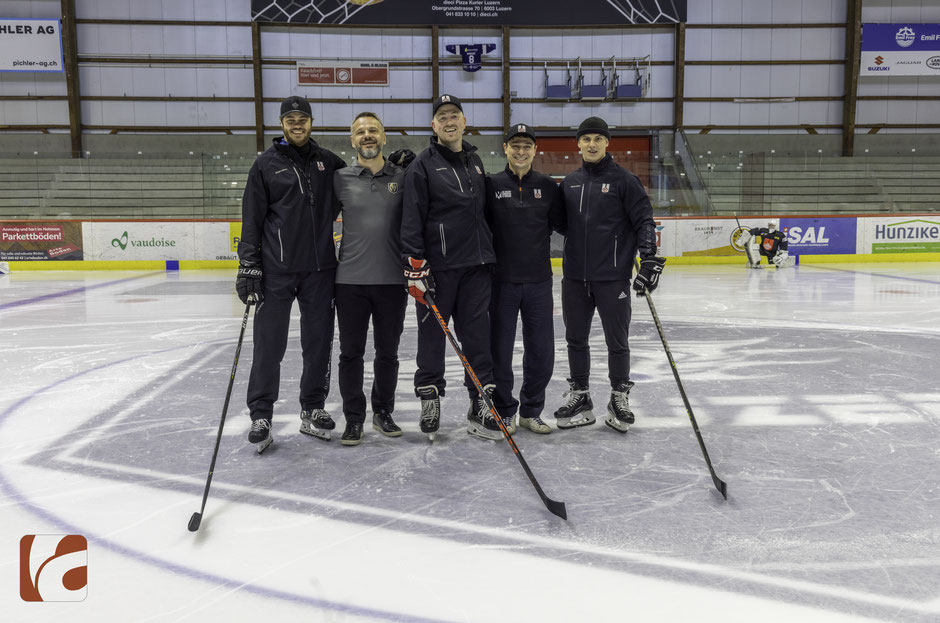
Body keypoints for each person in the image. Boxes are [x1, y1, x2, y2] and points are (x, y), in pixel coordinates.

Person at [236, 95, 346, 452]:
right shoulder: (265, 165)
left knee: (319, 344)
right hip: (277, 271)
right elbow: (251, 219)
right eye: (290, 119)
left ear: (311, 122)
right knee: (270, 345)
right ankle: (261, 413)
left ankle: (312, 407)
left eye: (302, 119)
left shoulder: (329, 163)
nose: (297, 124)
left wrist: (394, 167)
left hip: (320, 272)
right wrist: (248, 265)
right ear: (282, 124)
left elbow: (364, 182)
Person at [554, 116, 664, 434]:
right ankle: (581, 397)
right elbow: (563, 225)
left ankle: (618, 397)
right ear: (578, 143)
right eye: (586, 138)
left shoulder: (624, 181)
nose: (591, 144)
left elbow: (644, 220)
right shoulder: (570, 182)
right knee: (576, 339)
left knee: (617, 341)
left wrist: (648, 260)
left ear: (606, 143)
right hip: (575, 277)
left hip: (612, 277)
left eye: (597, 139)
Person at [400, 93, 500, 441]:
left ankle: (481, 401)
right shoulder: (422, 165)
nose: (449, 121)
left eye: (454, 115)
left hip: (476, 266)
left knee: (477, 337)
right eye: (442, 117)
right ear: (434, 126)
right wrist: (415, 266)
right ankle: (429, 396)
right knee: (431, 338)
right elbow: (411, 219)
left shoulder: (474, 161)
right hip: (438, 271)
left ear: (464, 121)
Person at [332, 112, 410, 446]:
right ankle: (353, 419)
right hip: (349, 282)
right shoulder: (339, 179)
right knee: (351, 354)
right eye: (360, 132)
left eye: (373, 130)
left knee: (387, 353)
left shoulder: (404, 178)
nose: (367, 136)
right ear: (352, 140)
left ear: (384, 137)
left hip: (392, 282)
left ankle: (382, 412)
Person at [485, 123, 563, 435]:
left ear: (534, 150)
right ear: (505, 148)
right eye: (515, 145)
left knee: (542, 352)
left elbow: (568, 226)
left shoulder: (548, 185)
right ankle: (505, 411)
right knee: (499, 353)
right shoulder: (490, 184)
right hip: (500, 283)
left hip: (539, 283)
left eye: (526, 146)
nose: (520, 151)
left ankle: (532, 411)